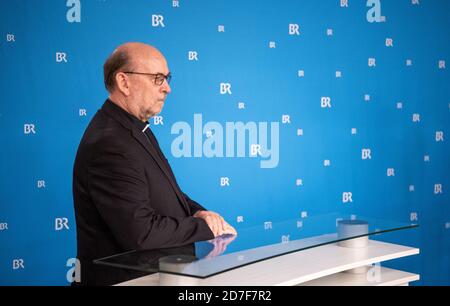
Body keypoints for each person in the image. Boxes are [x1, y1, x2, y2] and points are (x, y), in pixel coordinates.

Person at [72, 42, 236, 285]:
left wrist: (199, 212)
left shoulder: (137, 128)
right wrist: (205, 228)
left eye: (167, 78)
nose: (167, 88)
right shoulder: (110, 143)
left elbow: (166, 191)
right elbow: (141, 232)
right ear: (124, 82)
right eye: (157, 78)